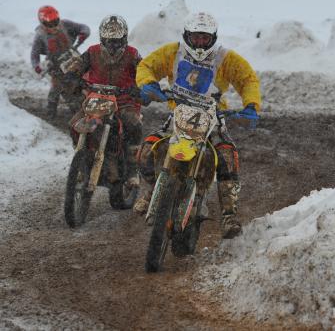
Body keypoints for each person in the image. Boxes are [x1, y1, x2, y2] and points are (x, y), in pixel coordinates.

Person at [133, 12, 261, 239]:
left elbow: (247, 78)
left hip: (212, 118)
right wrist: (148, 84)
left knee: (227, 157)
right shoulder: (172, 52)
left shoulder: (225, 58)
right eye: (196, 37)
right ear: (187, 36)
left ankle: (229, 215)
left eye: (205, 38)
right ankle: (151, 190)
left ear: (213, 37)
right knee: (147, 150)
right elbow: (146, 65)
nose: (200, 42)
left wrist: (251, 105)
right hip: (178, 114)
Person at [69, 15, 143, 187]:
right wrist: (73, 76)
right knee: (73, 123)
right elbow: (77, 65)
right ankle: (80, 162)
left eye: (116, 41)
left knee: (134, 124)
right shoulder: (92, 51)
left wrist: (140, 86)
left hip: (124, 101)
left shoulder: (133, 54)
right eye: (109, 41)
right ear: (102, 38)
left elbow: (144, 71)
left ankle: (133, 169)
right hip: (96, 100)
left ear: (124, 38)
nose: (112, 45)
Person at [31, 5, 90, 118]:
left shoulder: (65, 24)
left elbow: (84, 27)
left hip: (72, 58)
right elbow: (34, 55)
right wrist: (37, 67)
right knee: (58, 89)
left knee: (83, 81)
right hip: (55, 66)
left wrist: (83, 34)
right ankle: (51, 114)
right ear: (43, 23)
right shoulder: (40, 35)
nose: (54, 26)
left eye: (55, 21)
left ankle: (86, 106)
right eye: (50, 23)